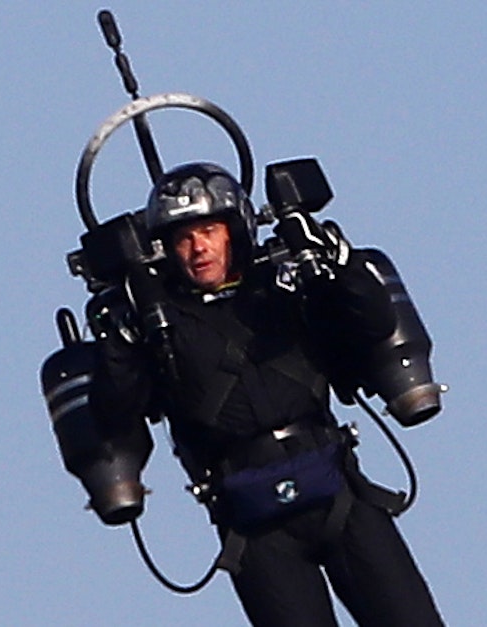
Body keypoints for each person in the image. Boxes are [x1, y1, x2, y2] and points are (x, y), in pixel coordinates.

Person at [88, 162, 446, 626]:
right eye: (184, 238)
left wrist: (336, 262)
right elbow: (116, 412)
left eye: (209, 231)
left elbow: (371, 323)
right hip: (255, 529)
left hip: (340, 494)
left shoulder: (285, 286)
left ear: (233, 230)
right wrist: (122, 340)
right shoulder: (158, 327)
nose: (198, 248)